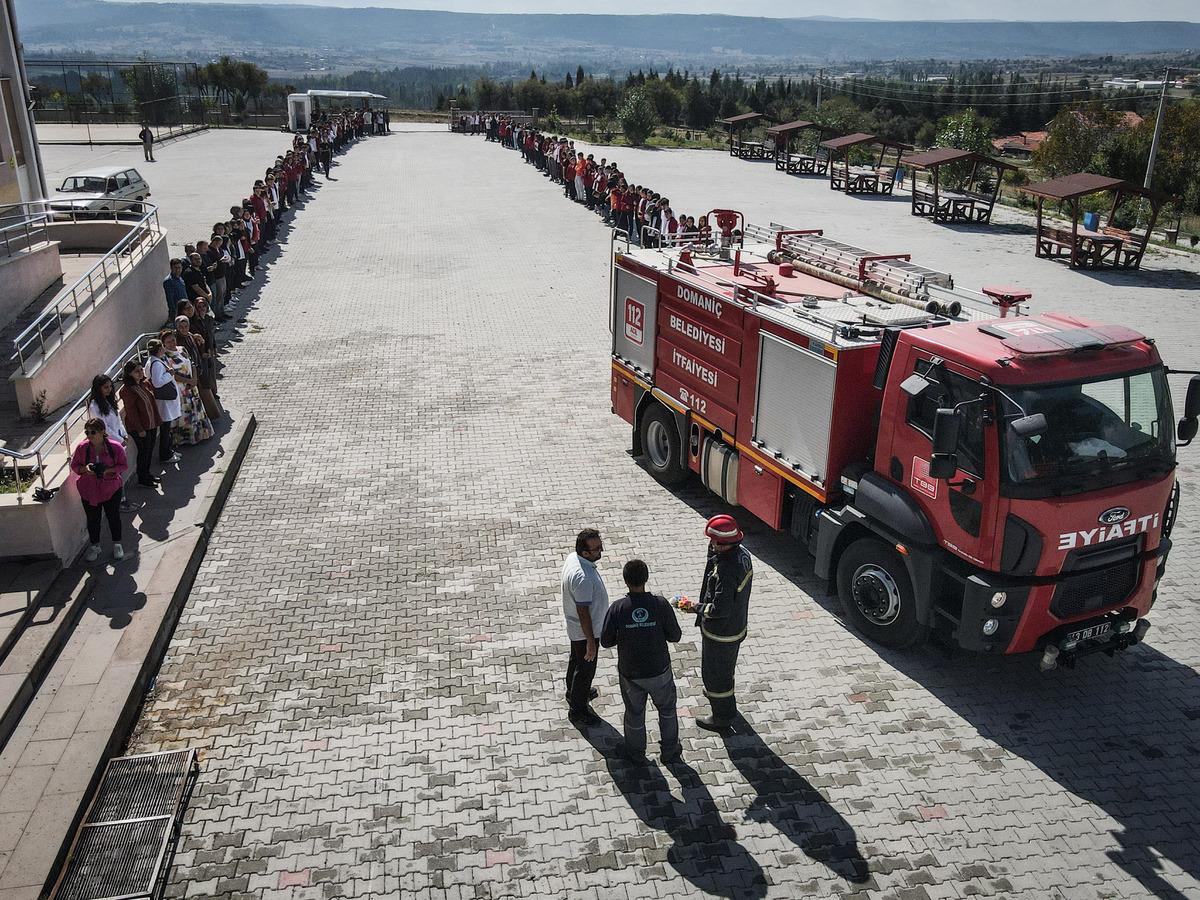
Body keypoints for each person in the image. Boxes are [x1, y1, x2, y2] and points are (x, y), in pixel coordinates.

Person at [600, 559, 683, 764]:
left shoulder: (618, 608)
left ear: (625, 580)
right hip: (659, 671)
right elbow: (675, 636)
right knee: (667, 710)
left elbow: (606, 641)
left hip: (631, 674)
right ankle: (670, 751)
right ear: (646, 578)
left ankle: (636, 753)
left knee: (635, 713)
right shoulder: (660, 604)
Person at [695, 514, 753, 733]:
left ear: (725, 543)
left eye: (714, 541)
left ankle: (722, 716)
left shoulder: (726, 571)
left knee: (715, 676)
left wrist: (696, 608)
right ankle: (723, 700)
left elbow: (719, 609)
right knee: (725, 669)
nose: (711, 544)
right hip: (736, 628)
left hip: (721, 633)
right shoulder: (743, 555)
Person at [561, 528, 609, 724]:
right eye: (597, 549)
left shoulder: (574, 557)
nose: (601, 552)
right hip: (585, 631)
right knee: (585, 669)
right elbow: (583, 612)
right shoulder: (582, 578)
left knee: (576, 660)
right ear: (585, 553)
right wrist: (591, 641)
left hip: (576, 629)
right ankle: (578, 710)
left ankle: (573, 692)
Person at [70, 417, 128, 562]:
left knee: (113, 516)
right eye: (87, 432)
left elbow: (123, 466)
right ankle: (95, 546)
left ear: (102, 432)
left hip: (111, 489)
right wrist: (85, 469)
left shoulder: (115, 447)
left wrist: (108, 470)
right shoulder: (82, 448)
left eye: (93, 432)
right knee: (92, 520)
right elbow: (75, 466)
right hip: (89, 490)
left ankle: (117, 544)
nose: (89, 435)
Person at [161, 329, 213, 446]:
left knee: (196, 410)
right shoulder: (165, 357)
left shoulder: (182, 349)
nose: (172, 343)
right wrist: (188, 380)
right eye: (168, 342)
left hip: (191, 386)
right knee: (185, 413)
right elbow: (173, 375)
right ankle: (186, 439)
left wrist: (194, 379)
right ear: (164, 344)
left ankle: (200, 434)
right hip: (180, 389)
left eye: (173, 340)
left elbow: (192, 363)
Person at [87, 373, 131, 510]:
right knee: (114, 475)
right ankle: (119, 502)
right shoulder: (95, 406)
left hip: (118, 443)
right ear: (98, 388)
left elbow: (117, 421)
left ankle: (122, 500)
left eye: (110, 387)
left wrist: (124, 434)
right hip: (108, 445)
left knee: (119, 473)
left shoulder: (109, 402)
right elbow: (103, 428)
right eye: (105, 387)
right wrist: (118, 440)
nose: (109, 390)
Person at [119, 359, 163, 488]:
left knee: (149, 450)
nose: (139, 373)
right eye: (136, 371)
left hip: (151, 423)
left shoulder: (144, 383)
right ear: (129, 374)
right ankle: (142, 478)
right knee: (143, 452)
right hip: (140, 427)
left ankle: (147, 474)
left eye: (140, 370)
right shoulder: (127, 390)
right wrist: (140, 429)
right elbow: (131, 412)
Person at [146, 339, 182, 465]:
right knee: (165, 429)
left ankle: (169, 450)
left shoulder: (154, 361)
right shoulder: (156, 364)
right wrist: (170, 374)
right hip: (163, 402)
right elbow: (157, 382)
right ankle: (165, 454)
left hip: (164, 401)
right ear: (160, 349)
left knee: (168, 428)